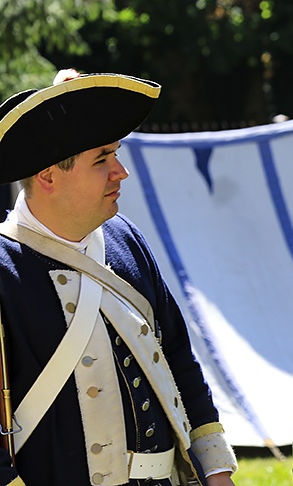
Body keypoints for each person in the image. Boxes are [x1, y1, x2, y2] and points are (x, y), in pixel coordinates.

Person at [0, 71, 238, 485]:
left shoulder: (124, 236)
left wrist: (215, 468)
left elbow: (178, 355)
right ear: (48, 176)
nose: (121, 172)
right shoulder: (4, 269)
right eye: (102, 159)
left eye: (116, 154)